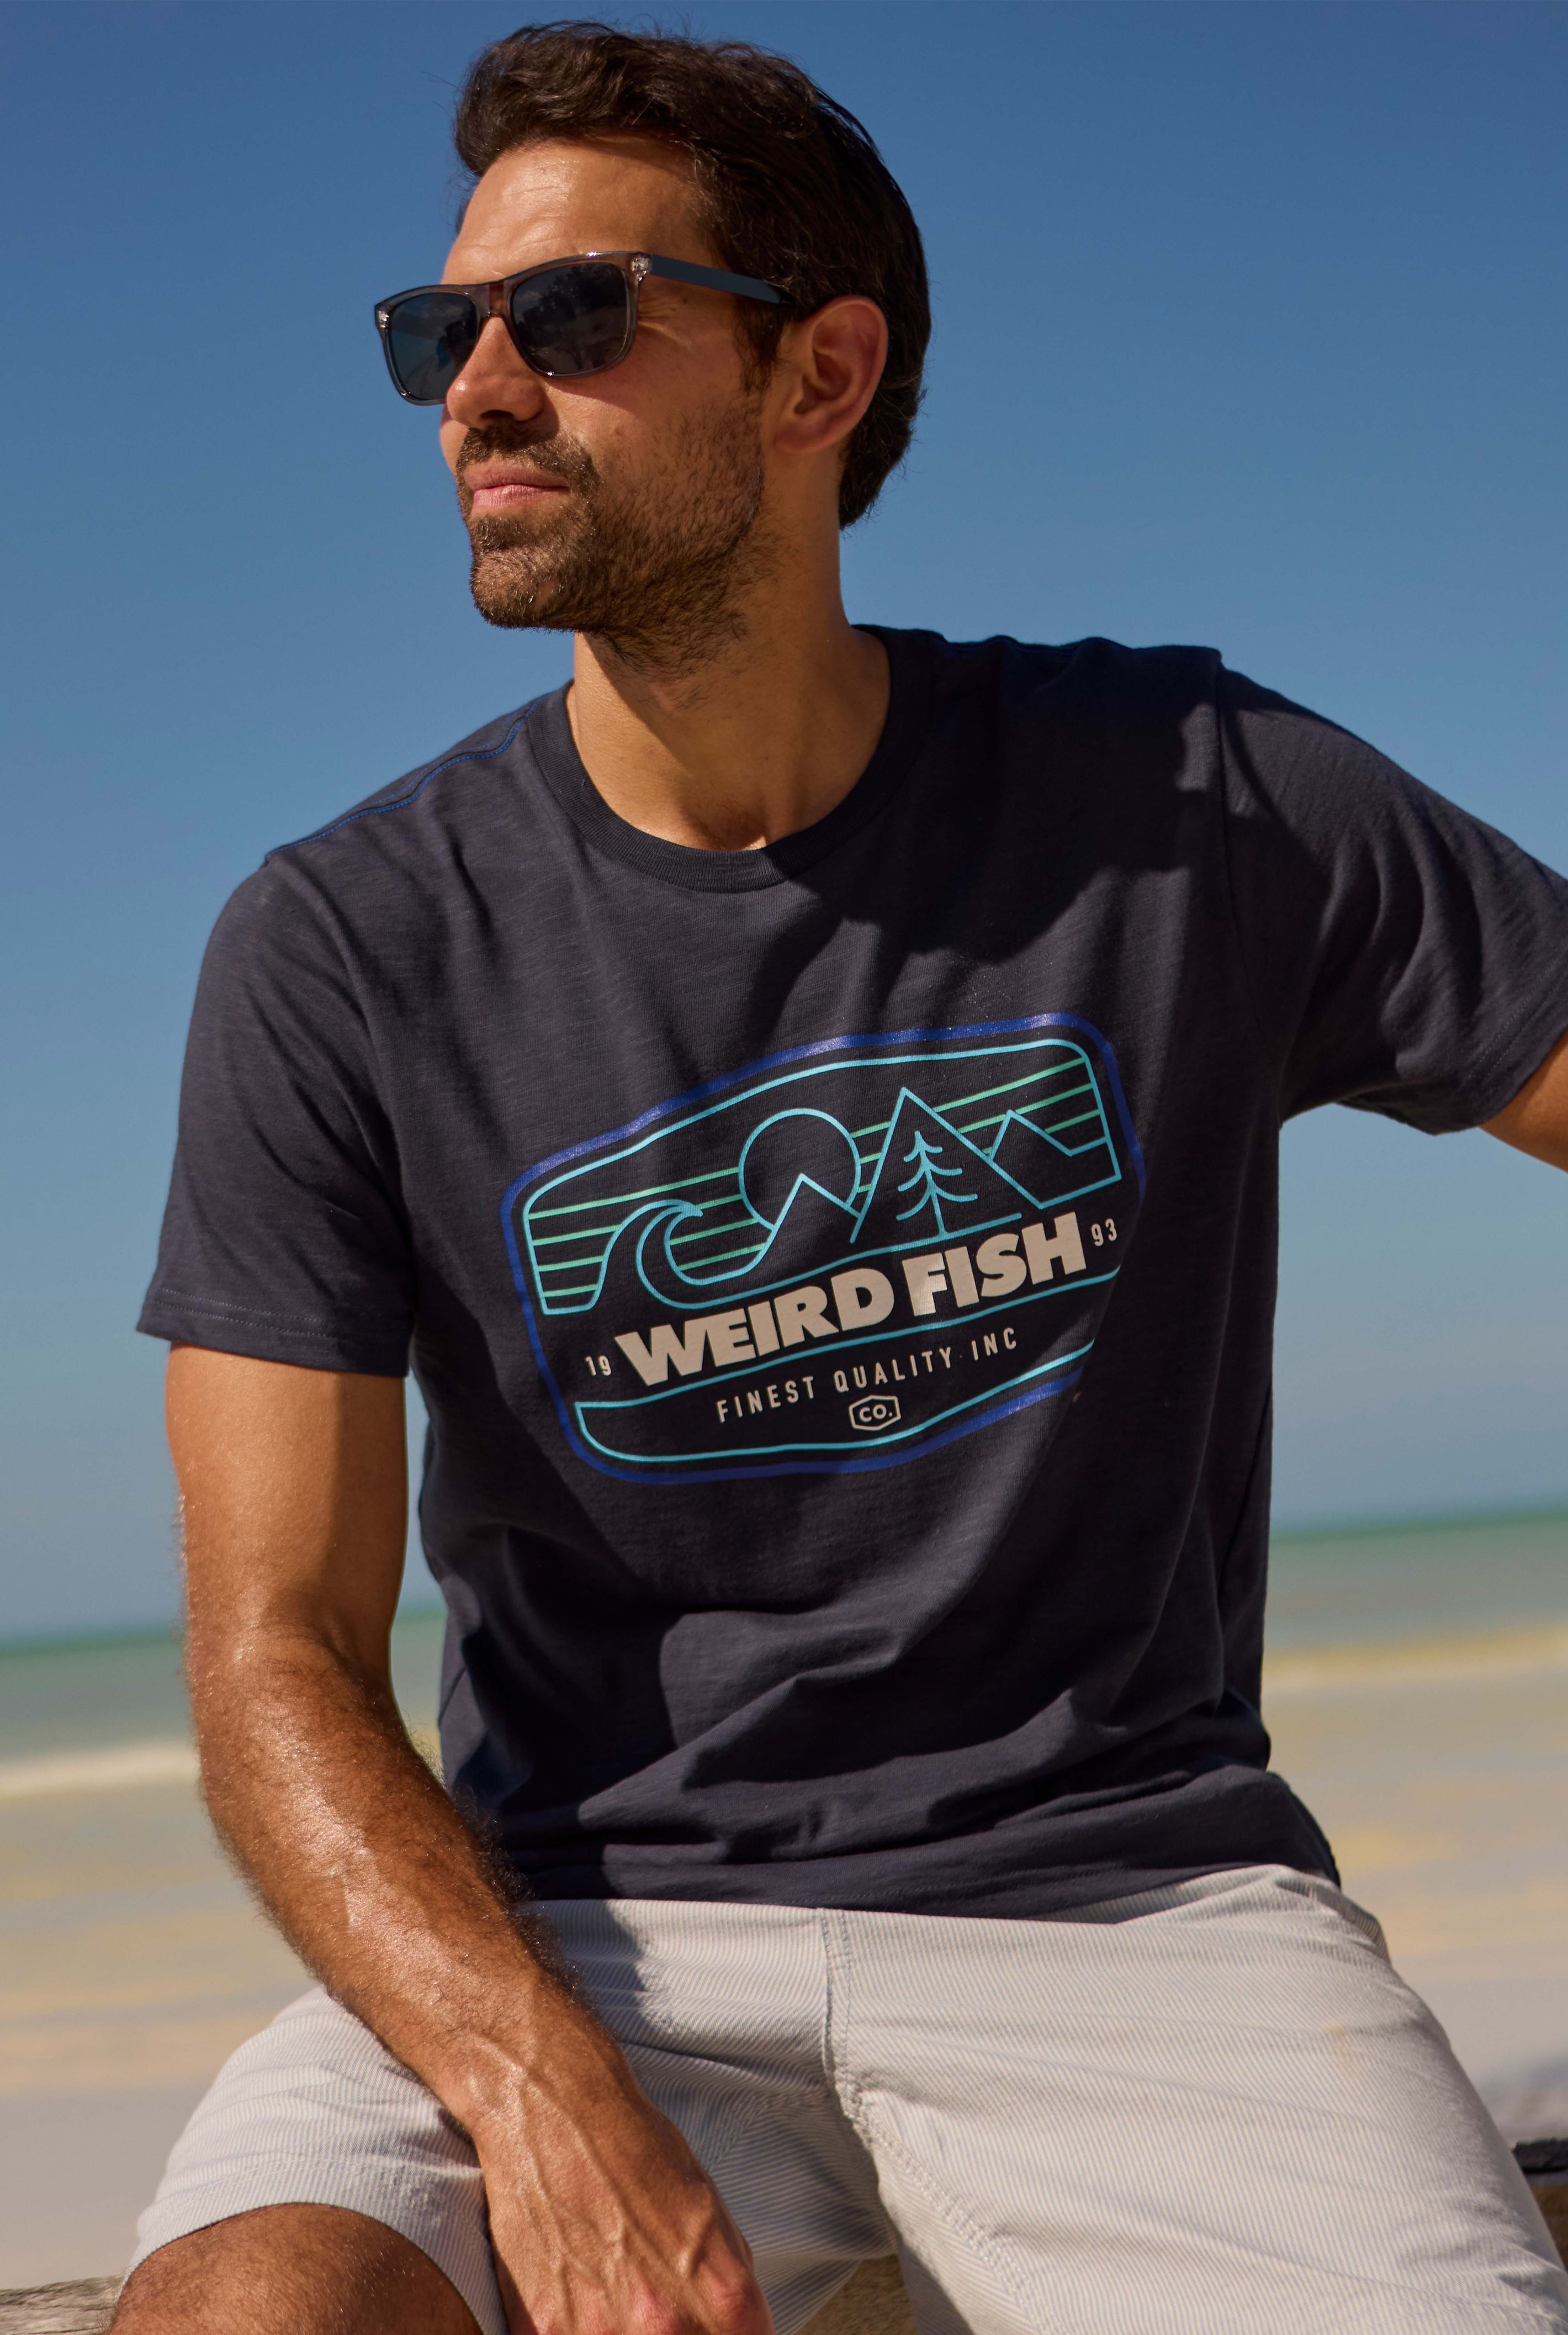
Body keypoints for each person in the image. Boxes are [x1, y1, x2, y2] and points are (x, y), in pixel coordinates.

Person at [113, 21, 1568, 2335]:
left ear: (820, 374)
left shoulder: (1193, 800)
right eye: (436, 331)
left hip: (1138, 1915)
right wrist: (536, 2090)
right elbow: (272, 1650)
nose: (475, 389)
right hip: (571, 1931)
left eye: (567, 315)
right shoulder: (344, 944)